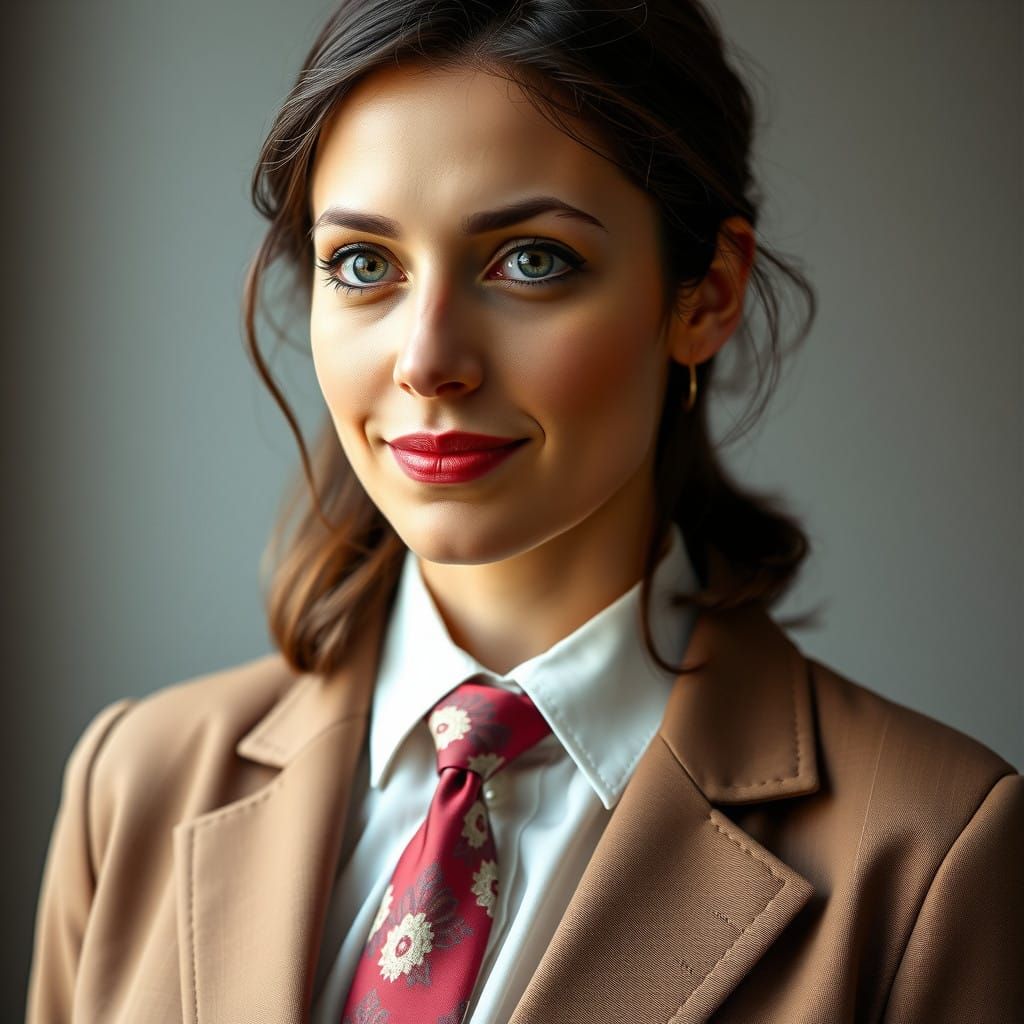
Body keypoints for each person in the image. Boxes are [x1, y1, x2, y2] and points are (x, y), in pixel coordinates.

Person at [26, 1, 1022, 1021]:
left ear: (707, 293)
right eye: (364, 264)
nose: (426, 360)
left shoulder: (928, 854)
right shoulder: (133, 784)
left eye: (530, 259)